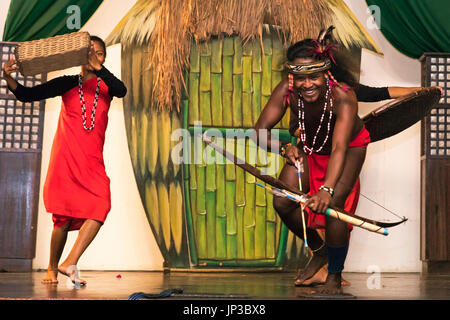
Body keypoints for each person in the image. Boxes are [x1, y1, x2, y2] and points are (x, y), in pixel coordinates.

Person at [253, 28, 441, 294]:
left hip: (349, 149)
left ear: (326, 73)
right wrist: (285, 148)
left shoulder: (343, 95)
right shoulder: (287, 90)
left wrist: (327, 189)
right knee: (283, 200)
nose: (307, 84)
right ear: (291, 75)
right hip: (311, 146)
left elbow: (340, 146)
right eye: (300, 77)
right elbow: (259, 131)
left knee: (334, 210)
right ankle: (319, 252)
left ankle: (334, 276)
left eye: (314, 77)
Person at [2, 35, 127, 285]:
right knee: (63, 217)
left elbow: (122, 90)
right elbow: (27, 95)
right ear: (78, 55)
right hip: (66, 159)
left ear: (103, 58)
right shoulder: (68, 83)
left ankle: (69, 262)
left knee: (101, 205)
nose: (94, 55)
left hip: (92, 162)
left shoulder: (108, 85)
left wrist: (98, 66)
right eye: (89, 51)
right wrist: (7, 77)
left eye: (99, 52)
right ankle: (51, 267)